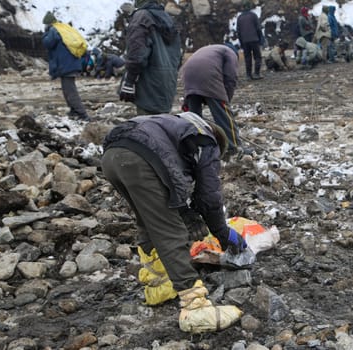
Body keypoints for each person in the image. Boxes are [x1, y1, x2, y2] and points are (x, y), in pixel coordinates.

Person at [101, 111, 247, 332]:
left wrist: (186, 211)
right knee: (171, 231)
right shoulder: (206, 141)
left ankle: (158, 284)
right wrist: (222, 232)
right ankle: (195, 307)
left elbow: (172, 176)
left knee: (149, 219)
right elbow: (209, 197)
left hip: (112, 158)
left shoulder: (178, 126)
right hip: (140, 158)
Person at [119, 0, 181, 115]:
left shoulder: (141, 17)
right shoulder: (167, 18)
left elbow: (137, 55)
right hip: (167, 82)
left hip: (148, 82)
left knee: (147, 127)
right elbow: (178, 55)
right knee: (162, 125)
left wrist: (129, 81)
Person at [181, 44, 242, 156]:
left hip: (187, 72)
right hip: (207, 73)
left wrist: (187, 101)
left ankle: (194, 145)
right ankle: (234, 147)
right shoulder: (230, 53)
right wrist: (225, 101)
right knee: (224, 116)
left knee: (193, 117)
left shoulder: (212, 50)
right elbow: (231, 78)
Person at [42, 11, 90, 121]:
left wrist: (46, 33)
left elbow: (48, 43)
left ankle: (83, 114)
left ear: (48, 23)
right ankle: (74, 111)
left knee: (70, 91)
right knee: (67, 89)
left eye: (45, 24)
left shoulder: (54, 30)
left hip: (66, 65)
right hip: (70, 64)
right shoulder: (63, 29)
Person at [236, 0, 264, 80]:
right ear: (250, 7)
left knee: (247, 58)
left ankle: (248, 75)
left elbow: (238, 31)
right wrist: (260, 39)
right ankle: (256, 74)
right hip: (254, 39)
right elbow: (258, 28)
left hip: (245, 41)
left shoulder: (240, 17)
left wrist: (241, 42)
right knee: (257, 57)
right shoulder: (253, 15)